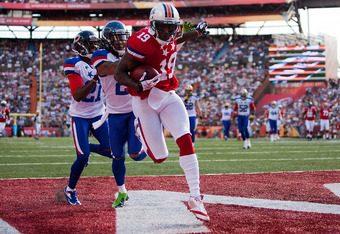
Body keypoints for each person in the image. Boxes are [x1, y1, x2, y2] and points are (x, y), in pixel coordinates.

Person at [113, 3, 210, 221]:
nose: (167, 32)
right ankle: (139, 127)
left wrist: (198, 32)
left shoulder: (174, 34)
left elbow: (179, 37)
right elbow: (119, 73)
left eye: (171, 28)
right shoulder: (141, 42)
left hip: (167, 94)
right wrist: (139, 85)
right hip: (144, 99)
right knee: (159, 157)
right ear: (152, 25)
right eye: (163, 28)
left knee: (185, 137)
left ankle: (195, 197)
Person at [91, 21, 147, 208]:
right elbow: (107, 69)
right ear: (106, 40)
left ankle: (151, 140)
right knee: (117, 157)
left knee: (136, 154)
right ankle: (122, 192)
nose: (121, 41)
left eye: (123, 37)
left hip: (134, 111)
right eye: (116, 38)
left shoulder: (131, 53)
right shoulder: (100, 55)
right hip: (114, 114)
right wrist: (135, 59)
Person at [63, 30, 112, 205]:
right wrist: (94, 79)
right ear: (81, 46)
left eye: (95, 43)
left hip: (99, 113)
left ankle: (88, 148)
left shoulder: (101, 61)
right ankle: (70, 190)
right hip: (80, 116)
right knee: (82, 158)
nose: (95, 47)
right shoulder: (73, 64)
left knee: (113, 151)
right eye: (91, 44)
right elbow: (77, 95)